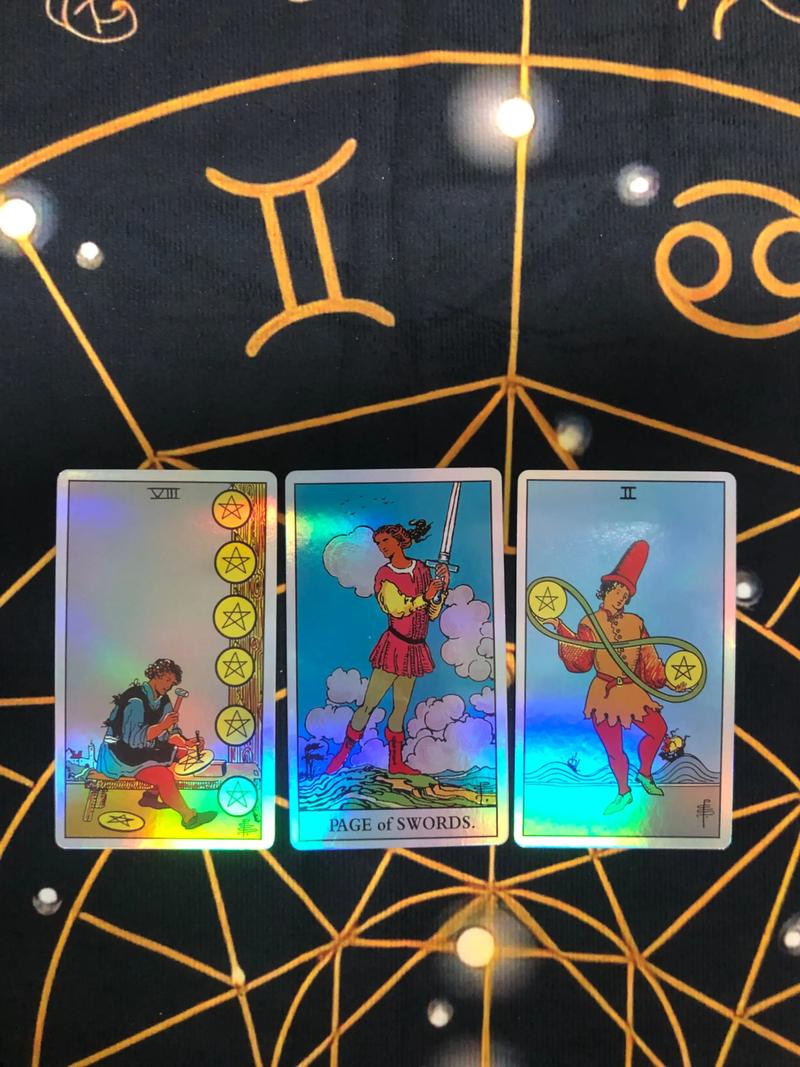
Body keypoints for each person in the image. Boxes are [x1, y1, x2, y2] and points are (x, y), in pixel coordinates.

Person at [545, 541, 686, 815]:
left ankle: (645, 773)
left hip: (633, 692)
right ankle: (623, 793)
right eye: (617, 591)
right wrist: (560, 627)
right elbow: (581, 659)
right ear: (606, 591)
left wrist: (671, 680)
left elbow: (649, 662)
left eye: (626, 594)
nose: (621, 598)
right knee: (614, 748)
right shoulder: (590, 622)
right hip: (604, 694)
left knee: (658, 730)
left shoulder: (636, 622)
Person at [325, 520, 450, 775]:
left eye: (385, 541)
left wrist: (441, 588)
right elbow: (396, 608)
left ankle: (396, 762)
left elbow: (431, 613)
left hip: (415, 649)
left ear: (399, 541)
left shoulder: (422, 570)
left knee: (400, 708)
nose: (382, 547)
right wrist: (425, 597)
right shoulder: (385, 575)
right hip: (394, 647)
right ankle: (343, 755)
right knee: (369, 704)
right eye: (378, 543)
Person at [95, 658, 216, 830]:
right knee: (164, 776)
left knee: (183, 754)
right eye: (167, 680)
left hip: (142, 750)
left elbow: (170, 734)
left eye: (172, 683)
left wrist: (186, 743)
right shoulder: (135, 701)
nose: (169, 686)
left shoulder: (163, 699)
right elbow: (134, 740)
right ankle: (189, 817)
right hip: (120, 755)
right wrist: (163, 726)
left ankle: (150, 797)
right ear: (156, 675)